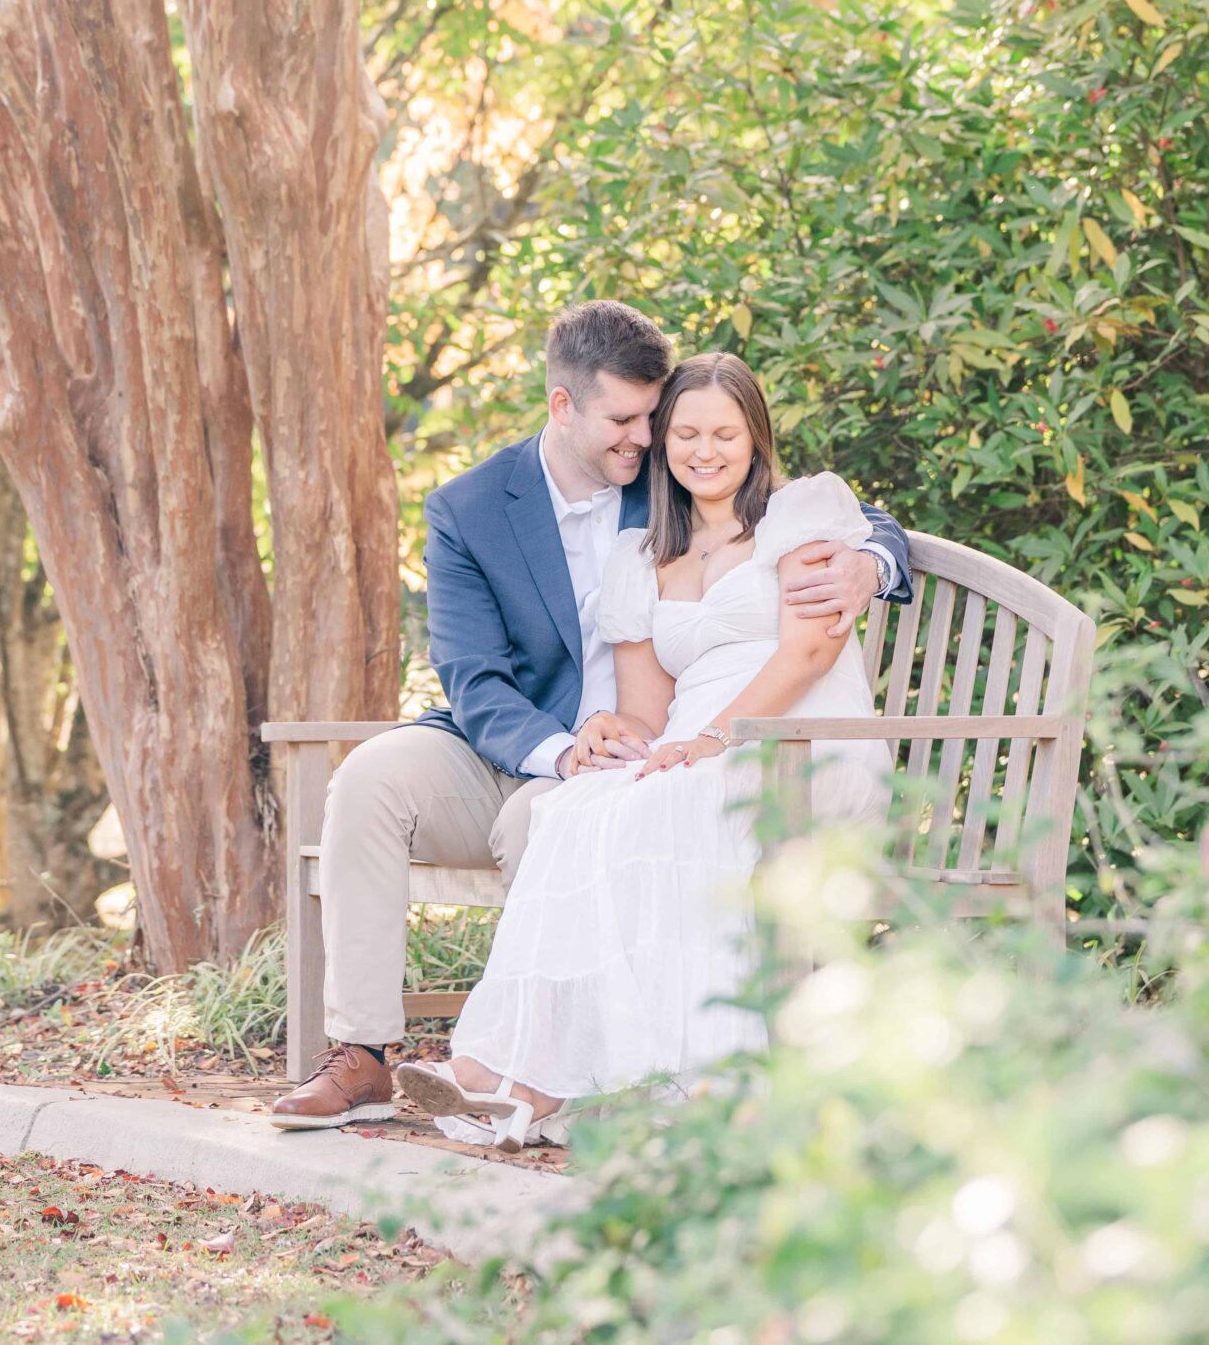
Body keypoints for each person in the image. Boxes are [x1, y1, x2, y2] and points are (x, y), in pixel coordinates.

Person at [269, 306, 910, 1131]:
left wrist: (873, 560)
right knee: (368, 783)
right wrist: (570, 747)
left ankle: (536, 1077)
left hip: (673, 747)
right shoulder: (472, 508)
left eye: (655, 419)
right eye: (628, 421)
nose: (647, 440)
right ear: (563, 407)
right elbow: (472, 676)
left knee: (569, 820)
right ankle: (364, 1055)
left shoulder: (677, 474)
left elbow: (837, 519)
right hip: (532, 737)